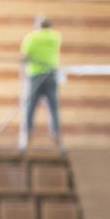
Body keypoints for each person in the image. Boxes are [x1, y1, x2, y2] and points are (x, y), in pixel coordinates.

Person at [20, 16, 62, 149]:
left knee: (31, 107)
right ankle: (56, 138)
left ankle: (27, 139)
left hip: (35, 75)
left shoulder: (31, 37)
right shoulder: (56, 37)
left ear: (37, 25)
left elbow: (25, 57)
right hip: (50, 75)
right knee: (53, 107)